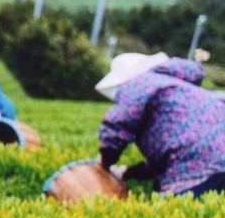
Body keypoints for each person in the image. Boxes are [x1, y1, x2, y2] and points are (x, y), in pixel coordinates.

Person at [96, 52, 225, 197]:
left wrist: (104, 162)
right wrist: (128, 172)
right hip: (212, 159)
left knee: (172, 207)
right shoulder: (175, 86)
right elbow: (172, 153)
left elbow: (118, 123)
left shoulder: (139, 83)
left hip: (197, 166)